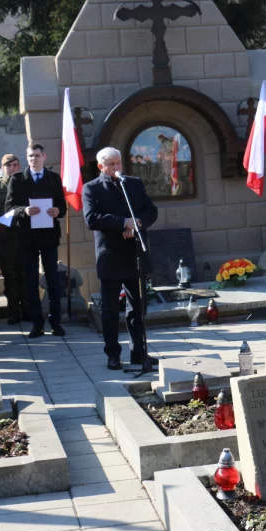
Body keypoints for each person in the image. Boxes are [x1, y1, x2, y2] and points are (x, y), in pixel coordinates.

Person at [83, 147, 159, 370]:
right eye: (112, 164)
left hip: (134, 254)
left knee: (138, 307)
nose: (117, 167)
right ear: (101, 167)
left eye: (119, 163)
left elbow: (151, 211)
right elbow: (92, 218)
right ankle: (113, 355)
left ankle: (139, 352)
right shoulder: (91, 188)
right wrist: (123, 223)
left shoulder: (133, 184)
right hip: (110, 255)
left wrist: (136, 224)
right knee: (109, 310)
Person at [6, 142, 67, 338]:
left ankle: (56, 323)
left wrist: (58, 211)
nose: (34, 159)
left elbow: (62, 207)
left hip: (49, 236)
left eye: (37, 156)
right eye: (30, 156)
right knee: (30, 281)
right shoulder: (17, 179)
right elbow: (9, 208)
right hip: (27, 237)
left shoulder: (53, 178)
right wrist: (24, 210)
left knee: (53, 280)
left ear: (44, 157)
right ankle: (37, 324)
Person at [0, 154, 28, 324]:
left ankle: (27, 309)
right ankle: (13, 312)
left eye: (15, 165)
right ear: (2, 167)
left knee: (25, 274)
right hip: (6, 238)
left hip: (25, 236)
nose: (12, 168)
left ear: (19, 166)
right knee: (10, 276)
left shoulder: (26, 184)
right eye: (8, 165)